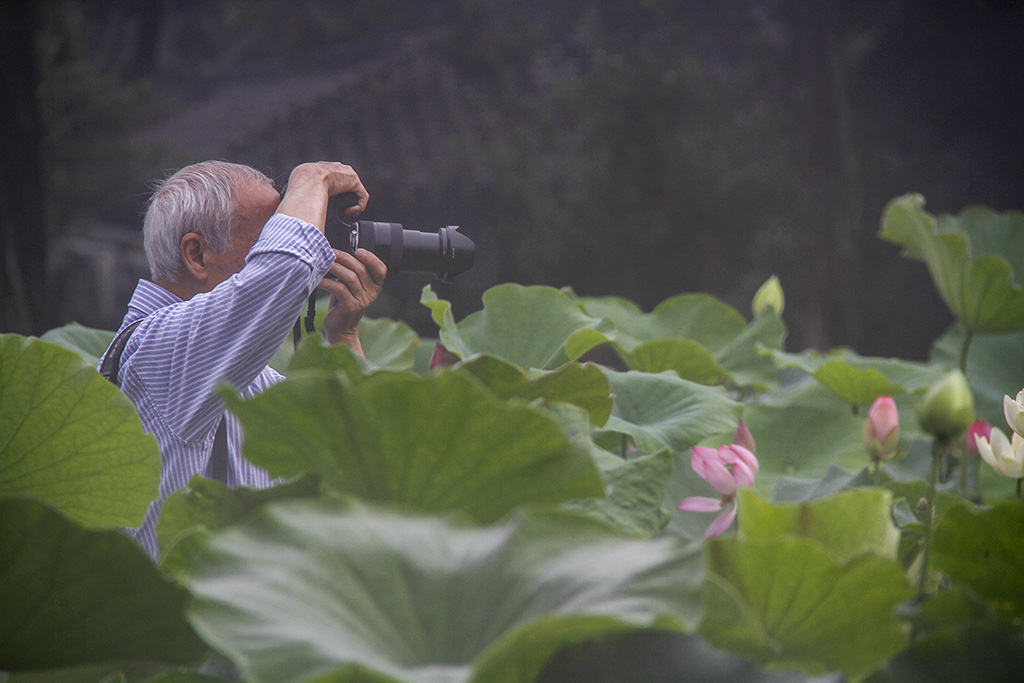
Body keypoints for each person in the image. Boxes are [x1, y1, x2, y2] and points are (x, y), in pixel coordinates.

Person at [99, 160, 386, 559]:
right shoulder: (158, 348)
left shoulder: (248, 380)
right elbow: (285, 268)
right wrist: (311, 178)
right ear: (197, 254)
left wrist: (342, 335)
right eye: (269, 235)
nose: (311, 252)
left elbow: (361, 469)